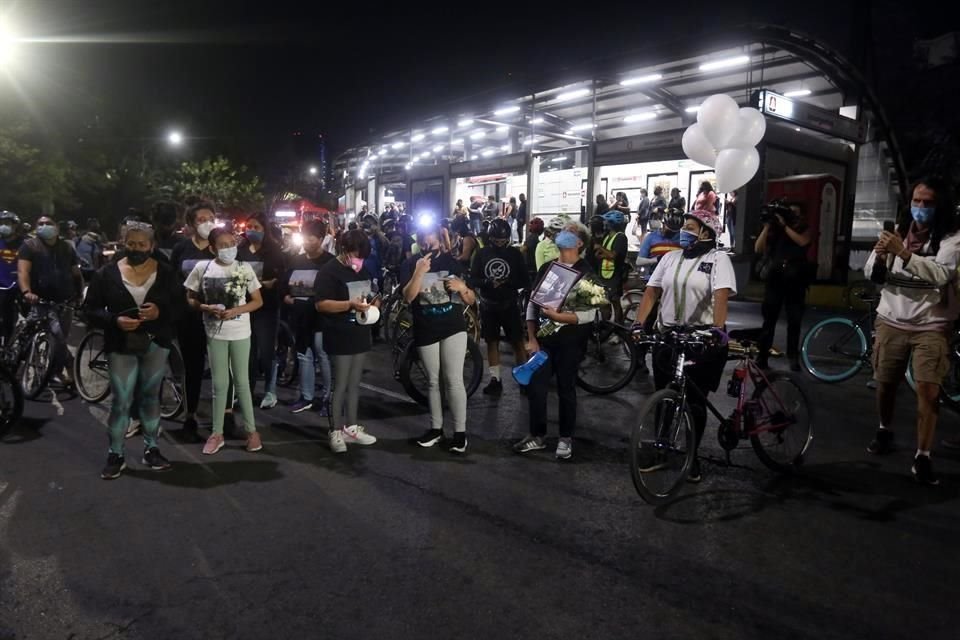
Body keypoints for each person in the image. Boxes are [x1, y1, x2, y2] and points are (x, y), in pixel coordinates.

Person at [863, 177, 960, 485]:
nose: (920, 208)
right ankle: (885, 429)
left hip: (931, 325)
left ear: (940, 205)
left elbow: (941, 275)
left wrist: (904, 255)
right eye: (916, 201)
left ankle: (923, 456)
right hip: (891, 320)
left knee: (928, 390)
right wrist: (881, 255)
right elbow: (870, 273)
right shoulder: (896, 234)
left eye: (928, 202)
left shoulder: (952, 238)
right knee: (885, 383)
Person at [632, 208, 736, 483]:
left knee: (694, 401)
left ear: (706, 232)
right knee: (665, 395)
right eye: (685, 226)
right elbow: (652, 291)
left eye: (691, 227)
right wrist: (639, 324)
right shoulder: (669, 257)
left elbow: (721, 296)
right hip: (668, 335)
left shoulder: (718, 259)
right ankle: (661, 450)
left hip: (702, 339)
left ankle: (692, 456)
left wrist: (716, 329)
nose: (684, 231)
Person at [84, 222, 184, 479]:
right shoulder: (105, 274)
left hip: (155, 343)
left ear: (152, 246)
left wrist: (160, 312)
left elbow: (181, 307)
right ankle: (115, 454)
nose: (136, 249)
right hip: (121, 345)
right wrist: (114, 321)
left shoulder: (167, 273)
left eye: (142, 244)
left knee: (151, 397)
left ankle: (151, 449)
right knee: (121, 400)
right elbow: (89, 310)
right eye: (131, 244)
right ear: (123, 243)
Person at [513, 227, 594, 460]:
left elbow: (591, 314)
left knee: (566, 389)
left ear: (579, 243)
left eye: (570, 233)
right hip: (544, 341)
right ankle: (537, 436)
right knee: (536, 388)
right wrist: (531, 337)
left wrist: (561, 318)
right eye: (563, 232)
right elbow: (532, 303)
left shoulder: (586, 273)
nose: (563, 235)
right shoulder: (547, 268)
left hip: (571, 343)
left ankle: (565, 439)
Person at [399, 217, 477, 454]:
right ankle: (436, 429)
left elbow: (471, 300)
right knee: (433, 381)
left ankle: (460, 434)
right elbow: (408, 297)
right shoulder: (412, 263)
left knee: (453, 380)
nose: (425, 240)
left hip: (453, 327)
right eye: (421, 236)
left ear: (438, 237)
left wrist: (463, 288)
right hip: (426, 328)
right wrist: (418, 272)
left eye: (429, 235)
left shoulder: (452, 263)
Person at [185, 227, 264, 456]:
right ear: (212, 248)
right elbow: (190, 297)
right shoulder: (203, 268)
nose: (229, 248)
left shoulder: (244, 267)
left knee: (242, 383)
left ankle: (252, 431)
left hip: (240, 332)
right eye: (222, 244)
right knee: (219, 385)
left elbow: (257, 300)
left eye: (232, 243)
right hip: (214, 333)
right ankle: (216, 433)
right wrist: (203, 306)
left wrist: (237, 310)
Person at [315, 229, 380, 453]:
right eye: (355, 255)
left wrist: (373, 305)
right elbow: (321, 304)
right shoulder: (329, 271)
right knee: (339, 384)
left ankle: (352, 428)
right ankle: (335, 431)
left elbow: (373, 294)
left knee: (354, 384)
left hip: (360, 333)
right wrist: (349, 305)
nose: (358, 260)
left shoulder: (364, 269)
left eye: (362, 256)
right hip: (338, 333)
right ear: (344, 250)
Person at [170, 201, 219, 443]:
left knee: (223, 368)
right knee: (194, 368)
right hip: (188, 318)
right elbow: (171, 282)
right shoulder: (181, 249)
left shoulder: (222, 247)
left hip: (219, 318)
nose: (207, 222)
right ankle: (190, 416)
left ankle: (226, 417)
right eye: (201, 219)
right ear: (190, 224)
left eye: (211, 217)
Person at [17, 214, 83, 385]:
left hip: (65, 301)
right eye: (40, 224)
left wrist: (79, 295)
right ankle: (60, 364)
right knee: (43, 336)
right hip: (39, 301)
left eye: (48, 223)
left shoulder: (67, 248)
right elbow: (23, 271)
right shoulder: (30, 246)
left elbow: (76, 273)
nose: (44, 226)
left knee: (59, 339)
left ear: (57, 227)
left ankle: (56, 370)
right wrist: (26, 292)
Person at [471, 218, 529, 396]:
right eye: (496, 241)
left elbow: (525, 280)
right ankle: (495, 379)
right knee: (491, 342)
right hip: (489, 305)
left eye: (503, 241)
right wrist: (488, 283)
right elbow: (473, 278)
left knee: (518, 342)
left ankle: (524, 379)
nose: (500, 244)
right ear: (490, 238)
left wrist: (508, 282)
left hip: (509, 304)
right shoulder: (481, 254)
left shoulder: (515, 254)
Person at [282, 220, 335, 415]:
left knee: (323, 355)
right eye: (304, 237)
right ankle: (306, 397)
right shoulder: (296, 261)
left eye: (310, 238)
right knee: (304, 356)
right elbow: (285, 285)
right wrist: (287, 298)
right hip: (301, 317)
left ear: (321, 239)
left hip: (322, 318)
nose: (306, 241)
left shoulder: (330, 262)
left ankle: (329, 399)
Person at [754, 203, 814, 371]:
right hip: (775, 280)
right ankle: (762, 356)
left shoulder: (803, 228)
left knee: (794, 322)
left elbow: (803, 242)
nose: (791, 214)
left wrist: (785, 226)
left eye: (795, 211)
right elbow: (758, 248)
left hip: (796, 281)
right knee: (769, 321)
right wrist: (767, 227)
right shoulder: (775, 230)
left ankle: (793, 357)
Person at [239, 213, 287, 409]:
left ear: (264, 229)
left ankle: (270, 390)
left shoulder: (274, 251)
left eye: (256, 227)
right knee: (247, 352)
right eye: (249, 226)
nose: (251, 230)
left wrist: (273, 283)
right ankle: (246, 391)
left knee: (267, 351)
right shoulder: (240, 250)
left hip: (267, 307)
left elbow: (283, 277)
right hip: (245, 306)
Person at [634, 208, 685, 374]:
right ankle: (639, 358)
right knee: (648, 323)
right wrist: (655, 259)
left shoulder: (682, 240)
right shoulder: (652, 237)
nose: (671, 233)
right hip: (654, 285)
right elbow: (639, 260)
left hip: (674, 288)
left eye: (675, 231)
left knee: (674, 326)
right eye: (669, 229)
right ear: (663, 223)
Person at [596, 211, 629, 325]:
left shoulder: (620, 237)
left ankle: (618, 329)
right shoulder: (607, 237)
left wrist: (601, 248)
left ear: (612, 223)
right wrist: (602, 252)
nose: (604, 224)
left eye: (607, 222)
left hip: (614, 276)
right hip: (603, 275)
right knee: (604, 302)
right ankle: (605, 327)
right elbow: (602, 254)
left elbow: (613, 255)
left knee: (615, 302)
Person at [0, 211, 24, 341]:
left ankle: (9, 343)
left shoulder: (25, 244)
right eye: (1, 223)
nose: (3, 226)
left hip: (16, 287)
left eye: (7, 223)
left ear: (15, 226)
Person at [522, 217, 543, 281]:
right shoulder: (535, 238)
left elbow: (523, 249)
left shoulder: (532, 238)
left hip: (530, 269)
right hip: (533, 268)